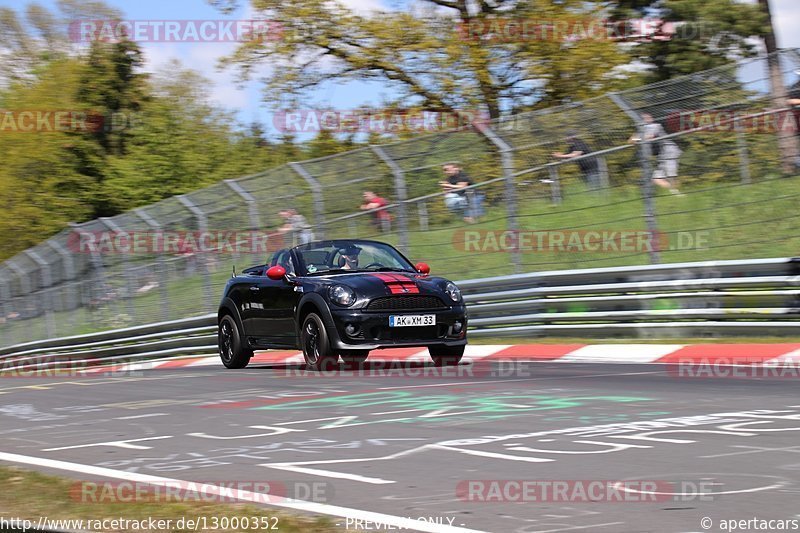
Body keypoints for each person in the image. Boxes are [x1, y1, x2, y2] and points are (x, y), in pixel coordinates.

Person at [630, 113, 683, 195]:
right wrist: (637, 137)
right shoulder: (642, 129)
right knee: (656, 179)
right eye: (645, 118)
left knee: (671, 175)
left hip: (669, 151)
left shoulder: (655, 126)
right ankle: (677, 194)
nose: (648, 119)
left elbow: (649, 137)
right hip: (662, 155)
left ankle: (677, 193)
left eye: (649, 117)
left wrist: (637, 138)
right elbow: (630, 141)